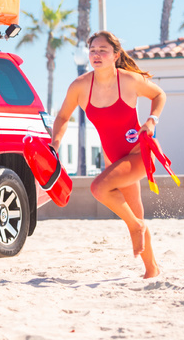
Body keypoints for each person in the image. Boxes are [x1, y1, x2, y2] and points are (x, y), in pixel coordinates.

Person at [51, 31, 166, 279]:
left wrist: (151, 121)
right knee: (135, 209)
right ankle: (152, 269)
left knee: (99, 188)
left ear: (115, 55)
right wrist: (55, 145)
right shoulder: (80, 86)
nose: (96, 55)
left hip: (139, 154)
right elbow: (62, 117)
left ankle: (136, 227)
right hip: (114, 160)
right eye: (93, 50)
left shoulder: (128, 80)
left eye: (103, 50)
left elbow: (159, 95)